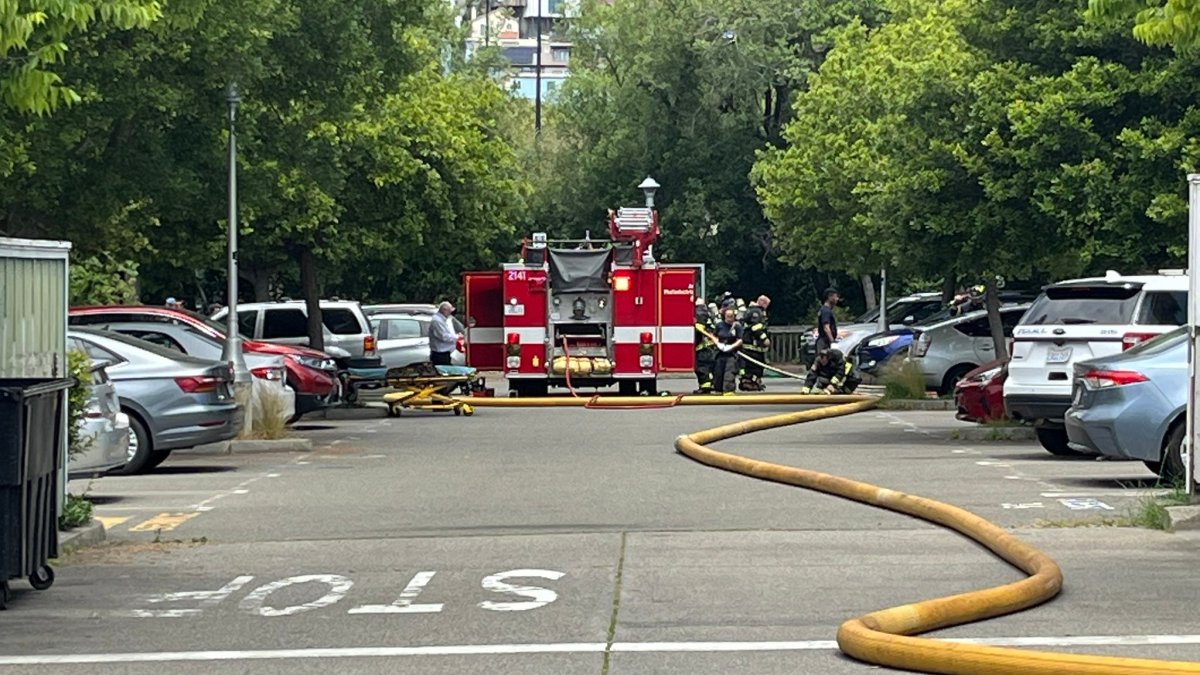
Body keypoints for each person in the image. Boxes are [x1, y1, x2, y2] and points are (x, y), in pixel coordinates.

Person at [739, 295, 771, 392]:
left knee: (750, 365)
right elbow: (755, 327)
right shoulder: (756, 312)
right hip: (753, 347)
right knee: (754, 365)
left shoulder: (751, 310)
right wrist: (764, 339)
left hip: (750, 346)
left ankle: (750, 382)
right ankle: (749, 382)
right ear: (762, 303)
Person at [712, 307, 744, 395]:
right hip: (720, 353)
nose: (729, 318)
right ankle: (718, 389)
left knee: (729, 372)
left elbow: (740, 340)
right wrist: (718, 344)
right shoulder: (719, 325)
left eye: (731, 316)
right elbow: (714, 336)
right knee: (718, 372)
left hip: (732, 354)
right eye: (727, 316)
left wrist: (731, 346)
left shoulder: (737, 326)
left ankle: (729, 390)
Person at [693, 299, 718, 394]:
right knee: (708, 367)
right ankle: (709, 384)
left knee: (702, 367)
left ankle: (705, 387)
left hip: (703, 347)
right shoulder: (707, 312)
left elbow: (699, 329)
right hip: (710, 345)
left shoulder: (699, 313)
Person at [429, 301, 460, 366]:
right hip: (440, 354)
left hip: (444, 353)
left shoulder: (443, 320)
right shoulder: (437, 321)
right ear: (444, 310)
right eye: (449, 311)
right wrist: (457, 337)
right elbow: (444, 336)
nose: (450, 313)